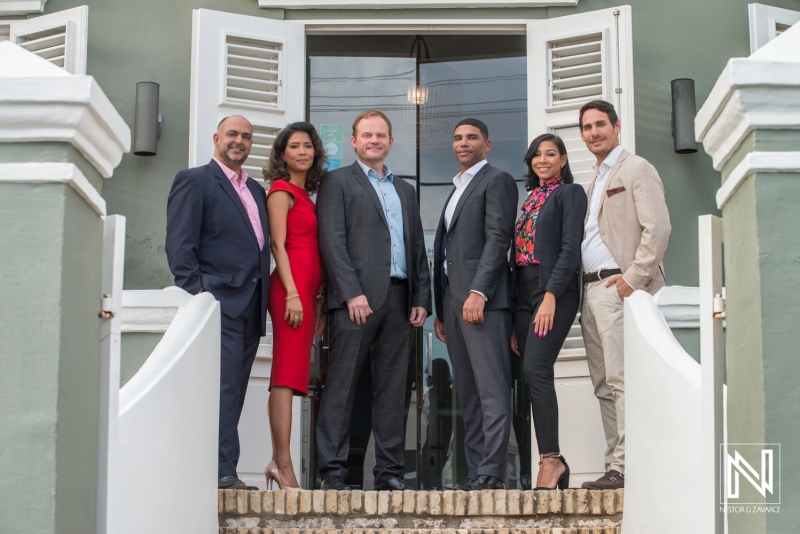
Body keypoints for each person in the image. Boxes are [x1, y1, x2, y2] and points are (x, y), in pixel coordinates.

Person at [315, 110, 431, 491]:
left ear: (391, 141)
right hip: (356, 302)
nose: (374, 140)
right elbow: (332, 241)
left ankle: (390, 473)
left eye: (381, 135)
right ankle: (332, 472)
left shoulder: (405, 190)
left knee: (393, 389)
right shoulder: (336, 182)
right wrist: (351, 292)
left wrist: (420, 297)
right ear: (353, 141)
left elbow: (416, 246)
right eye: (367, 135)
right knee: (342, 387)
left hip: (400, 300)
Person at [165, 115, 269, 490]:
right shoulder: (194, 181)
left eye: (245, 136)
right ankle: (221, 471)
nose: (239, 140)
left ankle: (225, 467)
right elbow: (180, 248)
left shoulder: (256, 190)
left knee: (234, 391)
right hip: (218, 304)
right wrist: (200, 297)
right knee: (221, 389)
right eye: (232, 134)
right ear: (216, 138)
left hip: (252, 307)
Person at [578, 100, 671, 490]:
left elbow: (658, 228)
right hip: (589, 292)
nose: (594, 132)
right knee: (603, 384)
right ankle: (616, 464)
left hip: (620, 287)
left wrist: (633, 278)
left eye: (601, 124)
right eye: (587, 127)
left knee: (621, 378)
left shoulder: (636, 168)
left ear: (617, 127)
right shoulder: (593, 180)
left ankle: (627, 466)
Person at [432, 118, 518, 491]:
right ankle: (475, 473)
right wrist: (442, 308)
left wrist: (480, 292)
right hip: (454, 304)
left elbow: (498, 239)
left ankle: (493, 472)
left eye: (471, 138)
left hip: (482, 301)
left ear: (487, 144)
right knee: (467, 392)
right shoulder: (456, 188)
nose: (463, 143)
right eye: (457, 138)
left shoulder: (496, 180)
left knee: (491, 390)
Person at [510, 134, 587, 490]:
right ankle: (551, 460)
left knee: (535, 368)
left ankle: (551, 460)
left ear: (563, 159)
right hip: (523, 291)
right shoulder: (529, 199)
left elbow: (571, 250)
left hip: (552, 288)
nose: (542, 160)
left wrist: (551, 295)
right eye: (536, 155)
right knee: (530, 375)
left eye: (550, 154)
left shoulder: (569, 194)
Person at [262, 122, 327, 489]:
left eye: (307, 146)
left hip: (306, 292)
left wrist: (315, 298)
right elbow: (277, 245)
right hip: (290, 290)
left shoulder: (307, 197)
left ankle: (279, 461)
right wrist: (292, 294)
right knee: (285, 377)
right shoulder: (281, 191)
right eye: (294, 146)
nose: (302, 152)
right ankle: (282, 464)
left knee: (292, 375)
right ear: (282, 153)